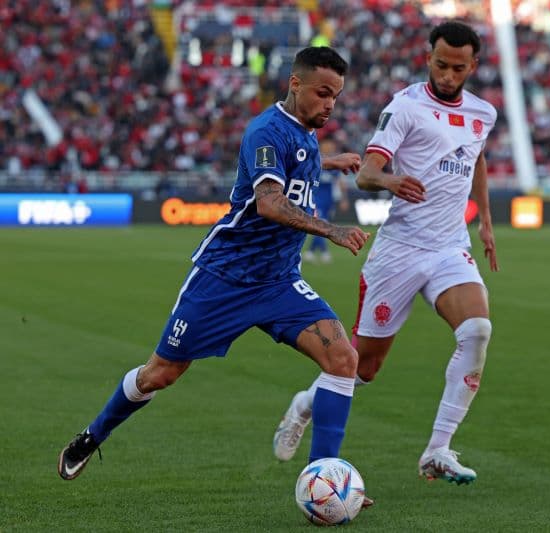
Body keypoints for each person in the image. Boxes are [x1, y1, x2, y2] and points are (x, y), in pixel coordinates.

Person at [57, 47, 371, 482]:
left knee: (342, 360)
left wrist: (329, 162)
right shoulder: (265, 131)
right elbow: (269, 204)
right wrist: (332, 230)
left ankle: (324, 479)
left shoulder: (306, 130)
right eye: (323, 93)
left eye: (336, 95)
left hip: (278, 282)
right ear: (295, 84)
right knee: (160, 374)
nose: (330, 104)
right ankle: (92, 436)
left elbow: (298, 165)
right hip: (224, 278)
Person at [273, 21, 498, 486]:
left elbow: (476, 156)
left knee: (476, 330)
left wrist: (486, 222)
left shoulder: (483, 113)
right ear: (428, 57)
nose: (449, 76)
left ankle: (438, 449)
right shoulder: (406, 107)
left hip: (449, 247)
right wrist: (392, 180)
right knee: (365, 367)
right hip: (399, 250)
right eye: (441, 65)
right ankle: (305, 403)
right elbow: (367, 173)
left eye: (458, 68)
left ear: (472, 66)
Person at [304, 138, 351, 264]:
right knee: (320, 225)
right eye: (326, 145)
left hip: (329, 201)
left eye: (330, 145)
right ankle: (323, 252)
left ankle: (310, 252)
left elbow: (340, 182)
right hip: (316, 200)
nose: (329, 147)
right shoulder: (316, 162)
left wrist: (344, 199)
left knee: (321, 225)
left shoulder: (332, 165)